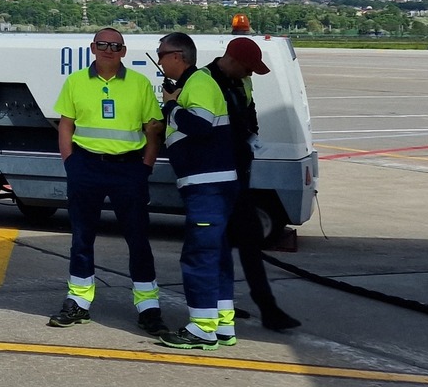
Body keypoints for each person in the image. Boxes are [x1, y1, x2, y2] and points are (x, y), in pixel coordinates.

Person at [47, 28, 166, 332]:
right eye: (103, 44)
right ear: (93, 48)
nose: (109, 50)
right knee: (81, 237)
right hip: (86, 166)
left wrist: (146, 167)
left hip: (129, 169)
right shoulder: (75, 82)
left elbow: (153, 130)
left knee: (138, 238)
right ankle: (79, 300)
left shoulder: (139, 84)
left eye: (115, 46)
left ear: (124, 52)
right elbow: (66, 125)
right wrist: (70, 163)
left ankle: (148, 305)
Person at [152, 33, 240, 350]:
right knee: (216, 257)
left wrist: (171, 107)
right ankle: (222, 324)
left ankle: (202, 328)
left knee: (199, 258)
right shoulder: (195, 84)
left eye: (161, 54)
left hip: (208, 187)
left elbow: (200, 127)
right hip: (214, 185)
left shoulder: (198, 83)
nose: (159, 60)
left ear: (178, 56)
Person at [214, 36, 300, 332]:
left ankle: (267, 308)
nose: (251, 74)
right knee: (218, 246)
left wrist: (251, 140)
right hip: (215, 179)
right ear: (233, 60)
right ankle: (222, 304)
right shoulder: (205, 82)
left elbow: (249, 117)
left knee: (247, 241)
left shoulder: (241, 83)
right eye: (248, 68)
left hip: (239, 176)